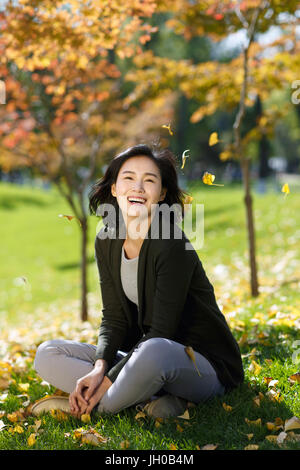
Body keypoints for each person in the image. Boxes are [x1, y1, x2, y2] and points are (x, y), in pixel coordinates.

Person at [34, 143, 244, 419]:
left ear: (162, 193)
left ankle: (98, 407)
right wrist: (99, 368)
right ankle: (153, 401)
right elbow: (114, 317)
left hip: (199, 365)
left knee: (154, 350)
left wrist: (106, 382)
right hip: (139, 359)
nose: (138, 188)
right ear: (114, 188)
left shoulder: (171, 243)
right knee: (47, 354)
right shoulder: (106, 239)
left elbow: (161, 332)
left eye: (149, 181)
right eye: (129, 178)